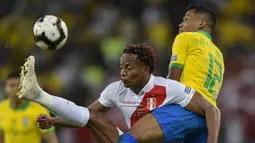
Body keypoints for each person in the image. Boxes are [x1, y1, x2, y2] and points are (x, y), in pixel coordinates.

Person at [18, 43, 219, 143]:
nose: (122, 72)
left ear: (145, 70)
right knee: (94, 117)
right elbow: (85, 115)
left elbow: (208, 110)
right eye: (121, 67)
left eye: (129, 67)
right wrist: (55, 121)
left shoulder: (169, 88)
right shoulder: (116, 89)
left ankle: (38, 94)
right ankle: (38, 94)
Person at [0, 72, 59, 143]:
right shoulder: (1, 108)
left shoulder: (38, 110)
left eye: (19, 86)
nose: (16, 89)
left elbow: (51, 139)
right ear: (5, 89)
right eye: (11, 86)